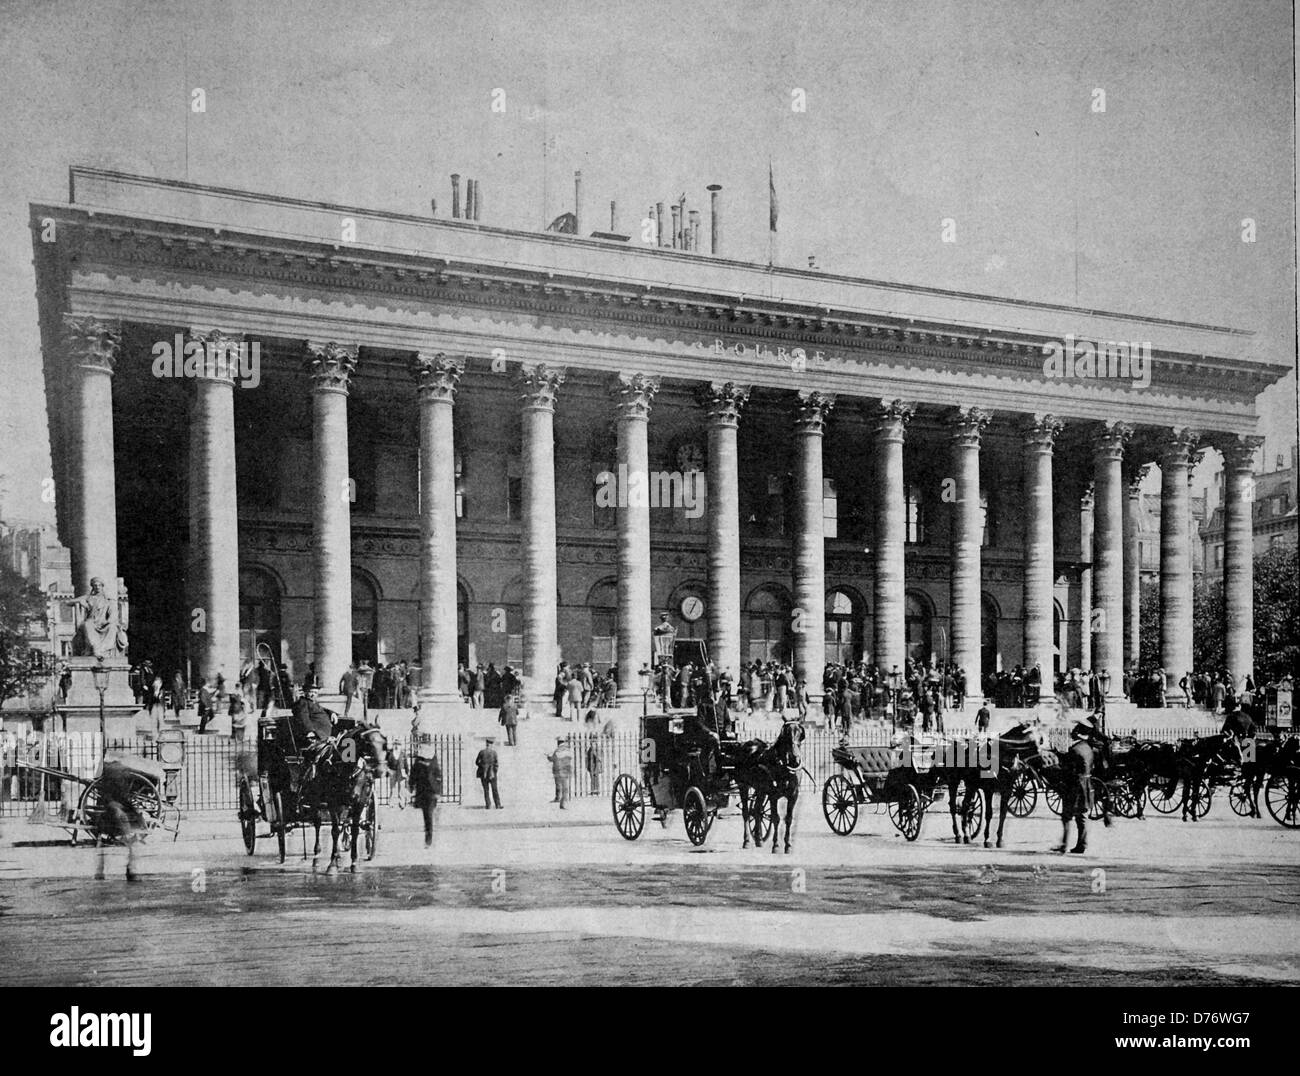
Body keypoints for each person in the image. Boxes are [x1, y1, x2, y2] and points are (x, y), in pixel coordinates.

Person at [93, 759, 145, 882]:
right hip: (110, 818)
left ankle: (128, 870)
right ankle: (131, 871)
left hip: (113, 819)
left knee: (131, 840)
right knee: (132, 840)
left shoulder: (111, 787)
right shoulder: (111, 794)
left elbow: (127, 804)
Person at [409, 705, 443, 846]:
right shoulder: (428, 760)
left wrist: (412, 786)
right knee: (427, 815)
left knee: (428, 815)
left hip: (428, 791)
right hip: (426, 791)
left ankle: (429, 838)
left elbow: (437, 774)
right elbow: (414, 774)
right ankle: (429, 836)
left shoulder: (426, 760)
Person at [547, 736, 574, 809]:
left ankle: (559, 799)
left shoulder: (557, 750)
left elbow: (553, 759)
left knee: (559, 785)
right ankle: (563, 802)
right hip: (566, 770)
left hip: (558, 770)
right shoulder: (568, 750)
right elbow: (570, 758)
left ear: (558, 742)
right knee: (565, 787)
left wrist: (548, 757)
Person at [475, 737, 502, 809]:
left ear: (486, 744)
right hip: (492, 773)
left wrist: (482, 766)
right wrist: (494, 771)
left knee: (486, 790)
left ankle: (488, 805)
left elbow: (477, 762)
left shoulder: (481, 752)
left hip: (483, 774)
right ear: (491, 745)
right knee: (495, 789)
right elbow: (496, 764)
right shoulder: (494, 752)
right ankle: (498, 805)